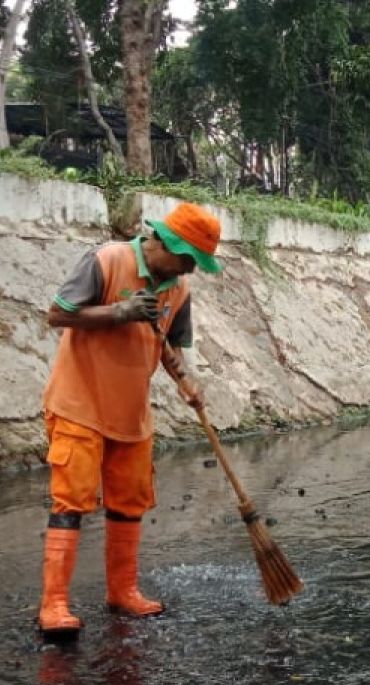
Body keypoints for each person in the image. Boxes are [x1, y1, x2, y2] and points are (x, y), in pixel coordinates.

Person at [37, 202, 222, 637]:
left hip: (131, 412)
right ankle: (54, 605)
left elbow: (171, 345)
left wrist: (186, 381)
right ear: (161, 243)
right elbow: (58, 314)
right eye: (186, 259)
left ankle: (122, 591)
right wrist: (120, 312)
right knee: (72, 501)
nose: (189, 270)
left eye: (195, 264)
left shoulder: (177, 290)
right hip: (79, 405)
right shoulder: (107, 260)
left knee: (129, 501)